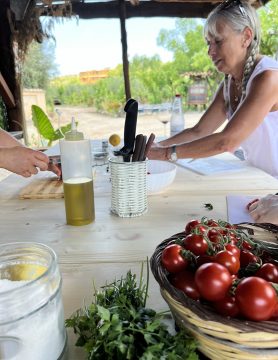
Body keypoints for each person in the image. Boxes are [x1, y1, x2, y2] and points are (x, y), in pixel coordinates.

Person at [148, 0, 278, 178]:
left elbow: (227, 141)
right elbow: (199, 132)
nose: (210, 51)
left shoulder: (268, 77)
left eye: (218, 41)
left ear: (246, 37)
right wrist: (156, 147)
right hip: (260, 179)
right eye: (209, 43)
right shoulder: (229, 83)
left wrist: (166, 154)